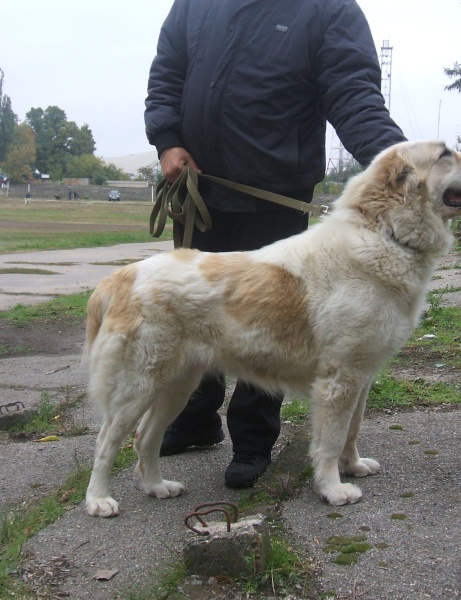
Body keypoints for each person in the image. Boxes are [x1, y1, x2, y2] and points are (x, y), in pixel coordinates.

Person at [144, 0, 407, 488]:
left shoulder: (327, 9)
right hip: (201, 187)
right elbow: (168, 72)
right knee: (196, 311)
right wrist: (166, 139)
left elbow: (354, 94)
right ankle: (196, 420)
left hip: (275, 196)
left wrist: (404, 167)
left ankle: (253, 439)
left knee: (270, 324)